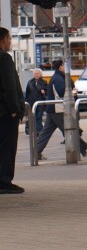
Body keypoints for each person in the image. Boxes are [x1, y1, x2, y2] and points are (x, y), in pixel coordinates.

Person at [35, 59, 87, 161]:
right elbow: (62, 92)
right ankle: (84, 149)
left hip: (53, 109)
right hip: (58, 109)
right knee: (70, 130)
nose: (66, 67)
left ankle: (35, 152)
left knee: (46, 133)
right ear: (60, 67)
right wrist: (73, 93)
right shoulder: (58, 78)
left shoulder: (59, 77)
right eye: (64, 65)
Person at [0, 27, 26, 194]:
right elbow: (9, 86)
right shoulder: (4, 58)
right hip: (5, 113)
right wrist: (14, 110)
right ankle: (4, 181)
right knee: (7, 148)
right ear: (3, 40)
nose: (10, 42)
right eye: (9, 38)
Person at [23, 68, 48, 136]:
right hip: (31, 102)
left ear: (40, 74)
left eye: (37, 73)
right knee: (31, 117)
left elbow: (47, 91)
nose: (36, 75)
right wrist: (26, 102)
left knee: (39, 116)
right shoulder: (30, 82)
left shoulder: (44, 82)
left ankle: (39, 131)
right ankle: (29, 129)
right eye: (34, 73)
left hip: (40, 102)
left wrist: (44, 92)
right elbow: (27, 93)